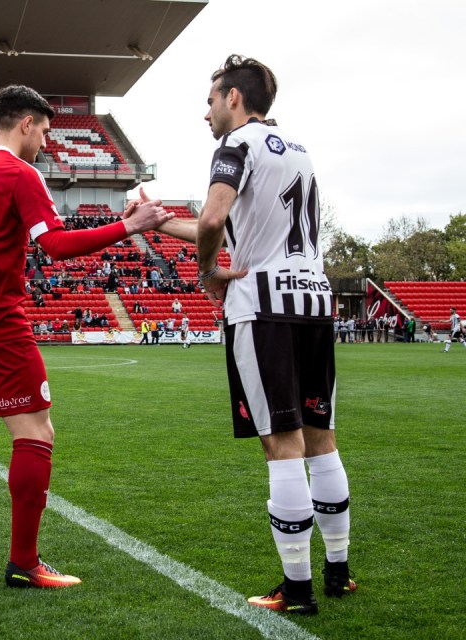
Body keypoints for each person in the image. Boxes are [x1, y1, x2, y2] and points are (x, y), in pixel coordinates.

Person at [0, 84, 172, 588]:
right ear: (25, 123)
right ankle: (25, 564)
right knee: (36, 434)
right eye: (45, 131)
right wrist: (129, 227)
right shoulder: (18, 172)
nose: (46, 144)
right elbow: (52, 245)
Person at [150, 55, 355, 614]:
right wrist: (159, 219)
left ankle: (297, 590)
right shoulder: (300, 151)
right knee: (321, 437)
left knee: (280, 445)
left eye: (212, 99)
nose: (207, 111)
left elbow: (215, 222)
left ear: (234, 99)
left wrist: (206, 272)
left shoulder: (235, 146)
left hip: (263, 308)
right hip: (314, 300)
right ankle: (337, 572)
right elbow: (234, 222)